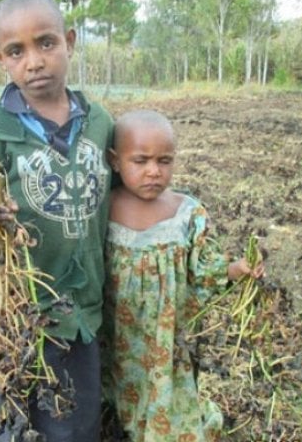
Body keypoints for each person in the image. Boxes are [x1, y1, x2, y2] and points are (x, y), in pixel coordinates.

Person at [0, 0, 114, 442]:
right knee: (7, 419)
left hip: (77, 312)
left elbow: (124, 186)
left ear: (69, 41)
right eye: (16, 51)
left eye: (46, 43)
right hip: (13, 310)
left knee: (74, 423)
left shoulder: (100, 123)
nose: (35, 61)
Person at [101, 109, 265, 442]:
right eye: (141, 161)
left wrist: (236, 269)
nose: (153, 172)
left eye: (164, 161)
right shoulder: (102, 209)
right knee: (113, 400)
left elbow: (204, 267)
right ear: (115, 161)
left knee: (166, 404)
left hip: (163, 342)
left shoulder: (186, 213)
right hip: (114, 338)